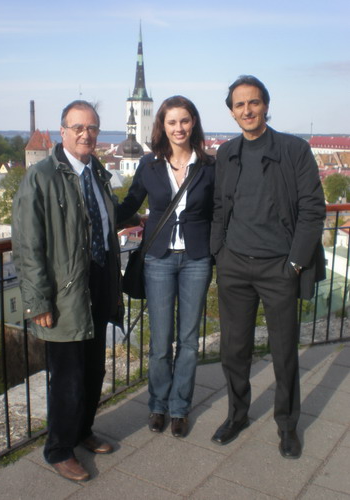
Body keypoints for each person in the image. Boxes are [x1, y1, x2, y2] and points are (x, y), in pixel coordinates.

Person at [210, 75, 326, 458]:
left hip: (279, 268)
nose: (247, 110)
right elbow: (218, 208)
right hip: (235, 268)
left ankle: (288, 426)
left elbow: (312, 210)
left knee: (283, 353)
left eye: (254, 102)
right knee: (234, 350)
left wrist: (294, 264)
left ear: (265, 105)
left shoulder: (294, 149)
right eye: (239, 105)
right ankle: (237, 415)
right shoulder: (226, 153)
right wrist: (219, 255)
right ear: (232, 112)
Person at [12, 100, 124, 482]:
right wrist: (38, 300)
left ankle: (83, 432)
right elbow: (28, 244)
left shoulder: (98, 173)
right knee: (67, 375)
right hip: (63, 292)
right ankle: (59, 448)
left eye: (91, 127)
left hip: (98, 282)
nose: (85, 134)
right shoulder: (41, 177)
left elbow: (106, 222)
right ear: (62, 131)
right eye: (77, 127)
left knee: (94, 368)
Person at [118, 96, 215, 438]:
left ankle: (179, 408)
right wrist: (98, 213)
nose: (179, 128)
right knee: (161, 341)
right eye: (172, 122)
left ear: (194, 124)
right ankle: (157, 404)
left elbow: (219, 210)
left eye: (185, 121)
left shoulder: (209, 165)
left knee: (188, 340)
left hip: (197, 259)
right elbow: (131, 203)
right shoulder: (149, 165)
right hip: (158, 258)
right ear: (163, 126)